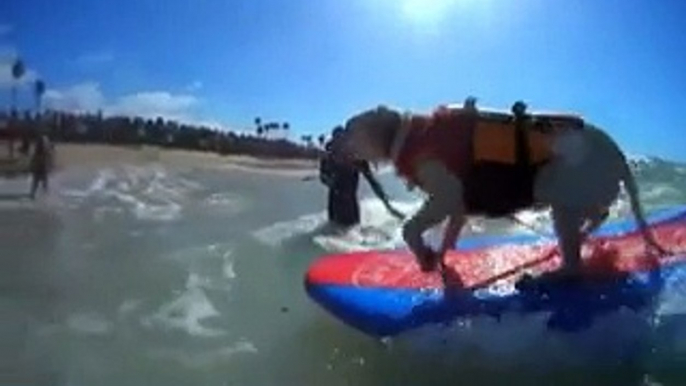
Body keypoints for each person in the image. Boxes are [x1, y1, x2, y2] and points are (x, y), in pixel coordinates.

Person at [319, 126, 403, 228]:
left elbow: (373, 182)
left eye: (343, 142)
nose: (341, 148)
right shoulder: (328, 158)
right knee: (333, 231)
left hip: (351, 205)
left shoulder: (357, 158)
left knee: (352, 232)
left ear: (347, 142)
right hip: (334, 204)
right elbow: (322, 177)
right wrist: (329, 181)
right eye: (337, 143)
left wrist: (388, 205)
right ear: (334, 143)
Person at [29, 132, 53, 200]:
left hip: (39, 167)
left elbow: (34, 158)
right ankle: (42, 195)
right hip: (40, 167)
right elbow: (48, 156)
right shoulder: (43, 149)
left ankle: (34, 194)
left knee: (37, 182)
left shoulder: (39, 148)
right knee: (42, 182)